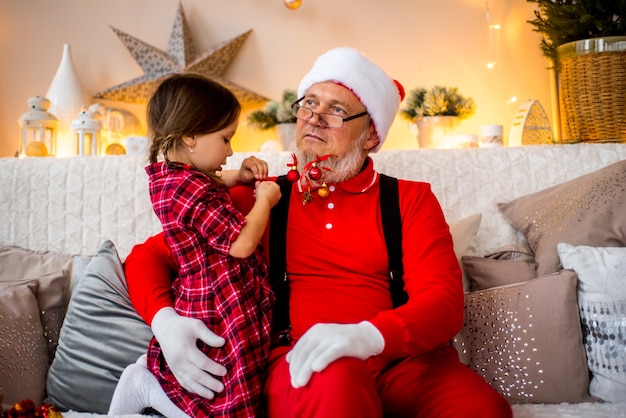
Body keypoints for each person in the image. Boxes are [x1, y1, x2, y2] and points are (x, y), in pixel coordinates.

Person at [124, 48, 513, 417]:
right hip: (304, 364)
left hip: (404, 364)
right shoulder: (261, 197)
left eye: (336, 109)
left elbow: (443, 303)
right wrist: (165, 322)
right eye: (309, 103)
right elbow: (148, 256)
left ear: (372, 135)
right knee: (337, 382)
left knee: (482, 409)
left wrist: (368, 336)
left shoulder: (410, 199)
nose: (314, 117)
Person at [109, 73, 281, 417]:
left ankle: (152, 388)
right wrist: (265, 199)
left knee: (221, 389)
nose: (231, 151)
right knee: (224, 393)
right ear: (190, 136)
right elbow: (242, 243)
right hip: (217, 302)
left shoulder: (174, 178)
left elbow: (208, 186)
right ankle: (145, 386)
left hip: (215, 294)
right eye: (226, 139)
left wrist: (239, 176)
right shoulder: (188, 188)